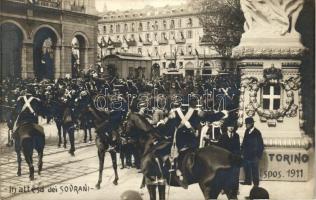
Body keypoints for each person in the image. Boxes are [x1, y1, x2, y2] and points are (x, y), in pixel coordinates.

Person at [218, 118, 241, 198]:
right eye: (229, 126)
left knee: (235, 174)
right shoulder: (223, 136)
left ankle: (236, 189)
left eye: (232, 126)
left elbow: (238, 147)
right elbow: (219, 147)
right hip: (225, 158)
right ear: (226, 127)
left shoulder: (236, 136)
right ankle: (223, 189)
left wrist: (237, 155)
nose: (231, 128)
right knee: (224, 174)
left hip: (234, 158)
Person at [241, 117, 264, 186]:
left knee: (255, 170)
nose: (246, 125)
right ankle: (248, 181)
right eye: (246, 124)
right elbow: (244, 142)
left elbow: (261, 145)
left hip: (254, 156)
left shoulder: (257, 132)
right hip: (246, 155)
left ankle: (256, 184)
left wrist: (258, 156)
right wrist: (242, 151)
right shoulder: (246, 131)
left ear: (252, 124)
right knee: (246, 168)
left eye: (248, 124)